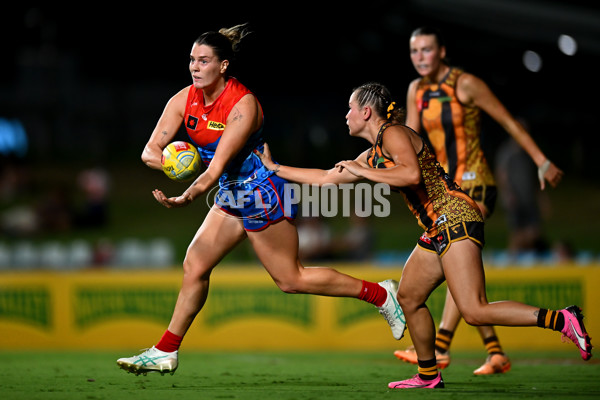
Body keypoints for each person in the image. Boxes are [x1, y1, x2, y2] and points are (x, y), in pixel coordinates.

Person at [256, 82, 592, 389]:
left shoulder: (393, 134)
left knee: (474, 310)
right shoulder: (373, 152)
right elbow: (327, 177)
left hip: (454, 216)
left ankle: (562, 319)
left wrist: (363, 172)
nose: (345, 115)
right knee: (409, 297)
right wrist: (276, 169)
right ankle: (428, 375)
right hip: (437, 226)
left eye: (350, 108)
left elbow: (411, 174)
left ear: (366, 112)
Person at [115, 24, 405, 376]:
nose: (194, 67)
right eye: (192, 59)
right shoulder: (184, 99)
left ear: (222, 66)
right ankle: (166, 350)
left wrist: (187, 193)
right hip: (231, 191)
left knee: (290, 279)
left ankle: (381, 294)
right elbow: (149, 151)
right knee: (195, 264)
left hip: (261, 191)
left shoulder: (242, 105)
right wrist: (172, 163)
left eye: (203, 61)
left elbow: (216, 166)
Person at [394, 26, 565, 375]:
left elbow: (506, 121)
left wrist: (540, 161)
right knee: (461, 273)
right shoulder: (416, 90)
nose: (421, 58)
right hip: (447, 190)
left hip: (476, 185)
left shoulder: (466, 84)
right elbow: (408, 138)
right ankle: (494, 351)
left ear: (443, 51)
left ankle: (440, 346)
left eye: (427, 50)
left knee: (453, 254)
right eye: (415, 51)